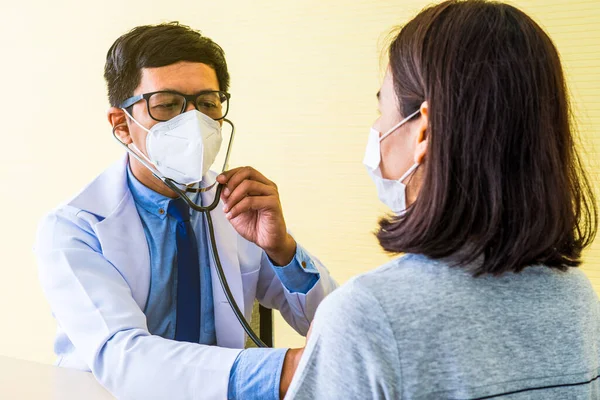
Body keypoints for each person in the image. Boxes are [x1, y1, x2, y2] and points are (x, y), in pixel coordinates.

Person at [286, 1, 599, 399]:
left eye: (381, 107)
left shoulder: (367, 316)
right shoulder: (575, 299)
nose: (376, 129)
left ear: (423, 132)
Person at [34, 22, 337, 400]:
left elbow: (334, 325)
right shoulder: (74, 229)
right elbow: (122, 356)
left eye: (208, 104)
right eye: (167, 105)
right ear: (122, 125)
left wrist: (282, 250)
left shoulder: (235, 204)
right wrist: (286, 371)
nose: (194, 122)